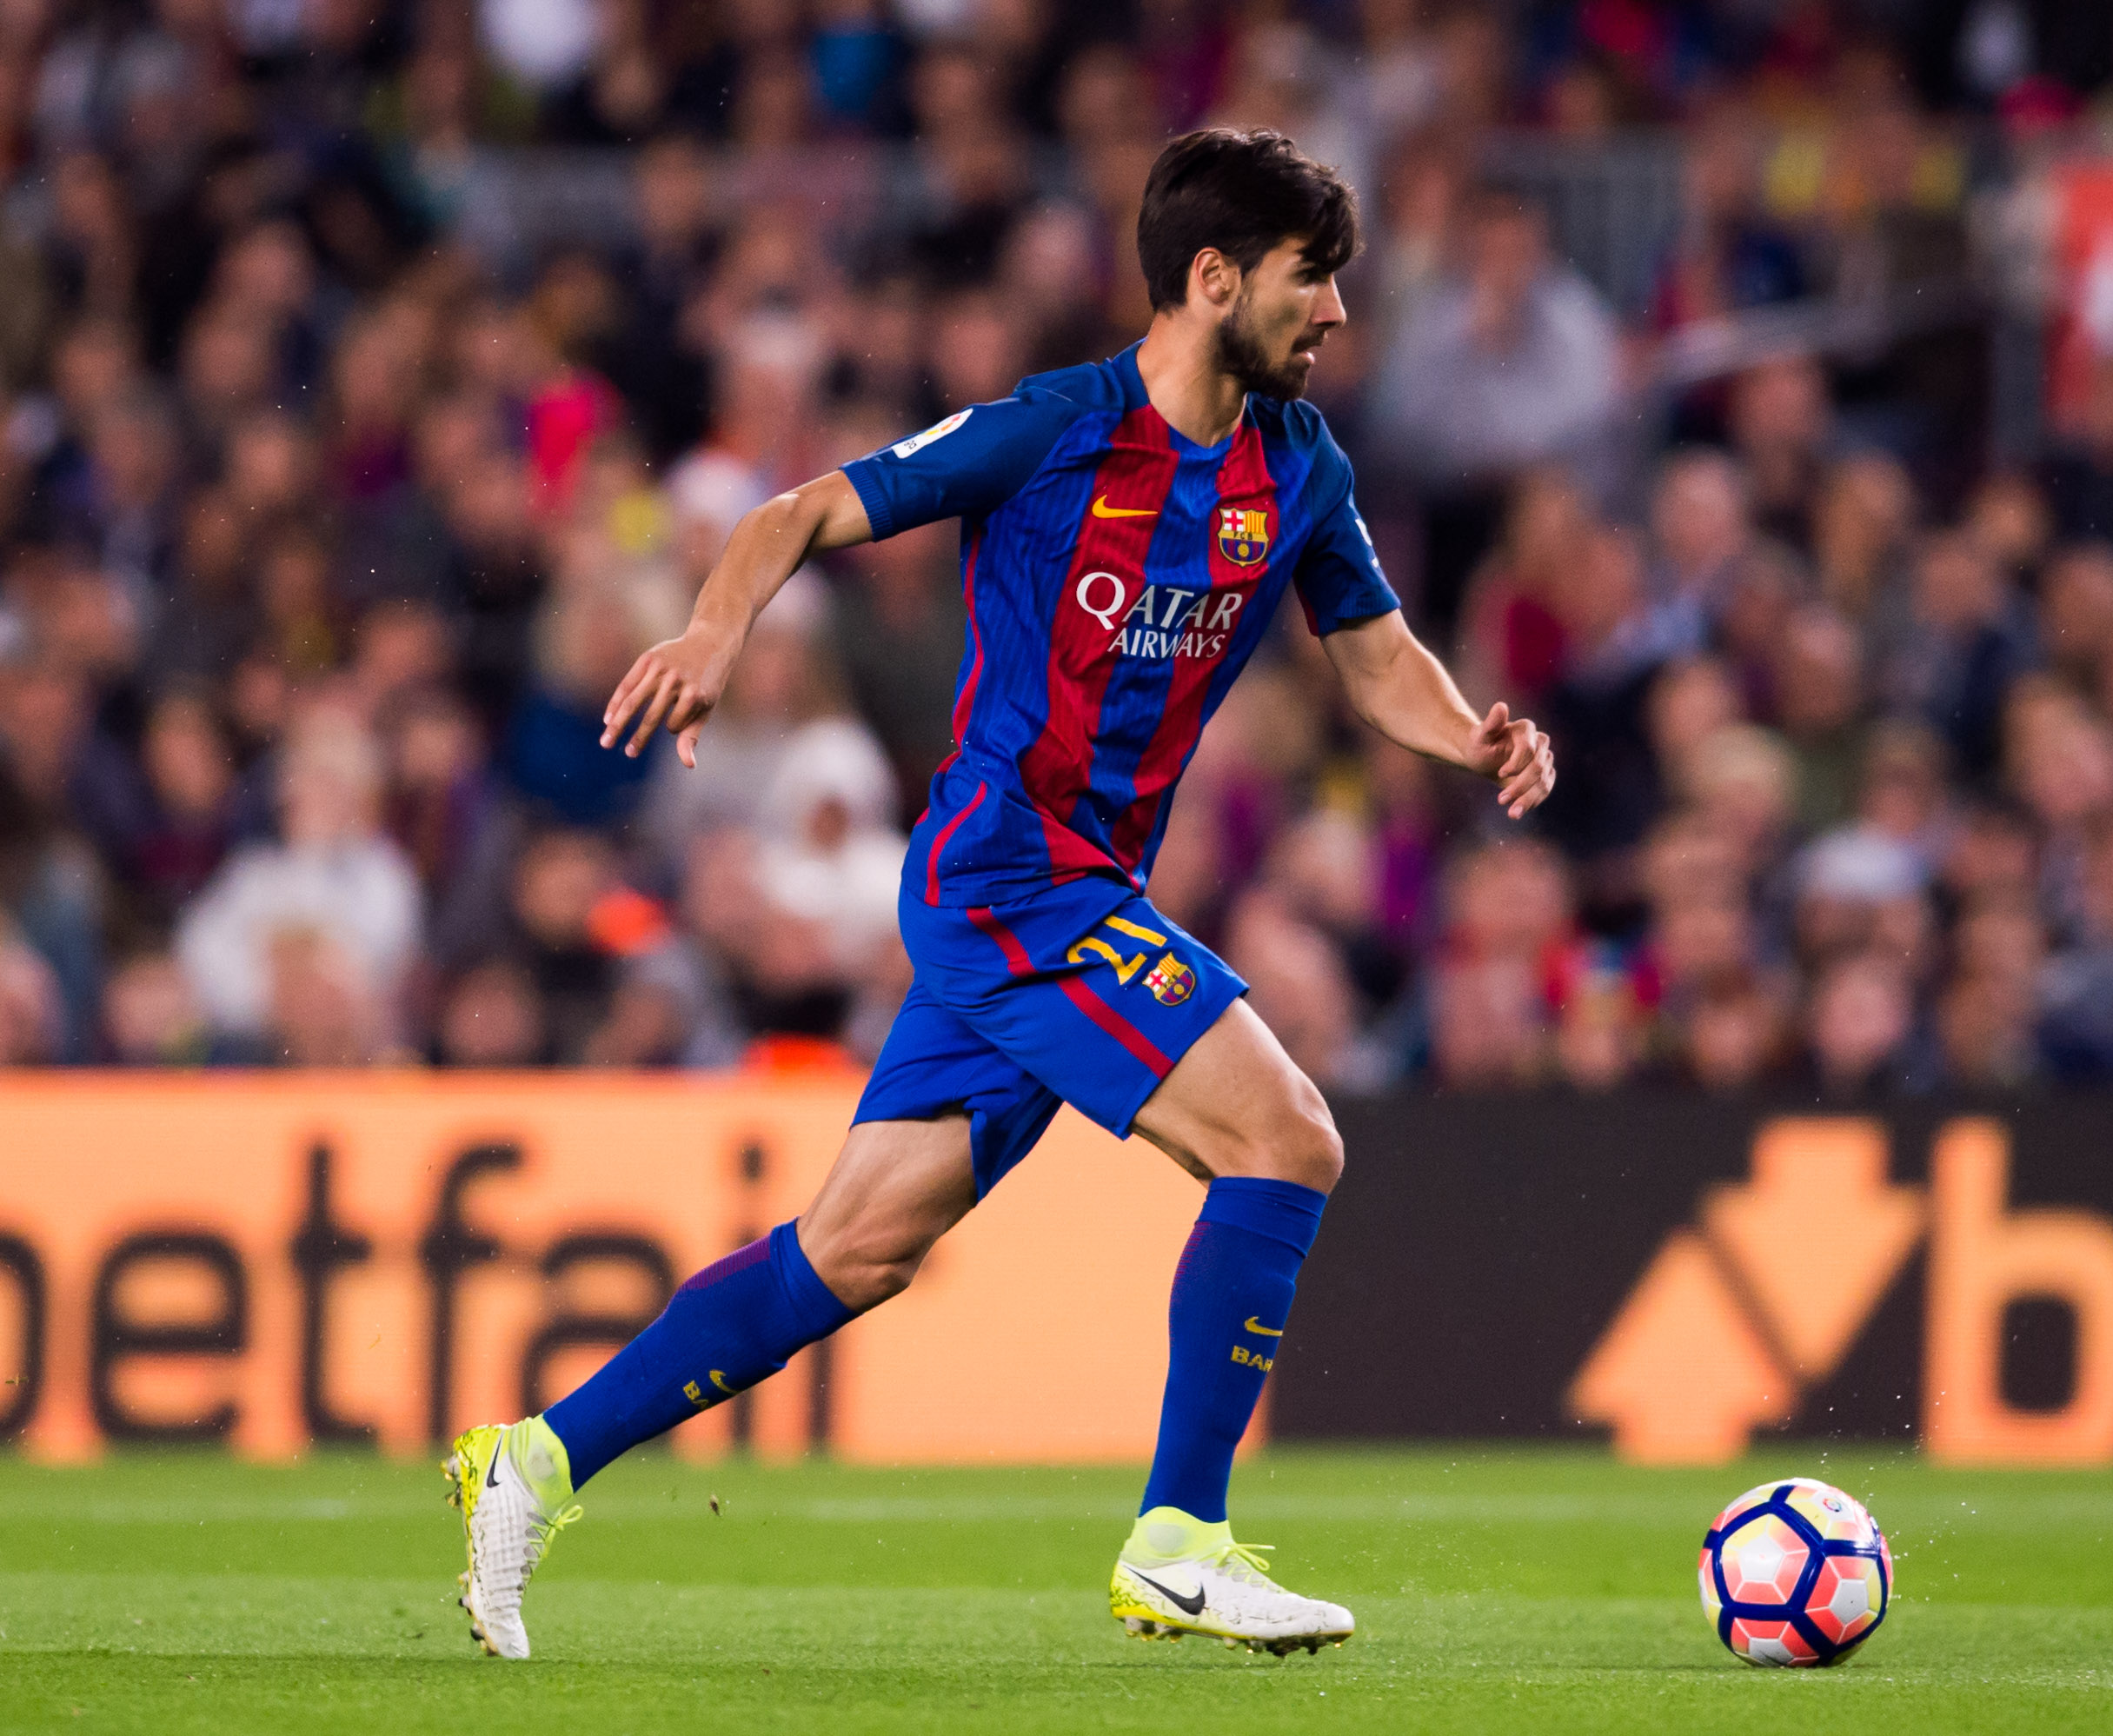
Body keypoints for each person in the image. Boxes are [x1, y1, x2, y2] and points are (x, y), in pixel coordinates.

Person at [442, 128, 1555, 1663]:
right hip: (1011, 878)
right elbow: (793, 516)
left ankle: (532, 1462)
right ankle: (1181, 1538)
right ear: (1213, 278)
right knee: (1286, 1136)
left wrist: (1473, 729)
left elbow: (1374, 656)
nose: (1341, 314)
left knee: (856, 1247)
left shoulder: (1298, 465)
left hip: (1077, 891)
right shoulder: (1053, 430)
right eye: (1317, 280)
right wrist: (714, 632)